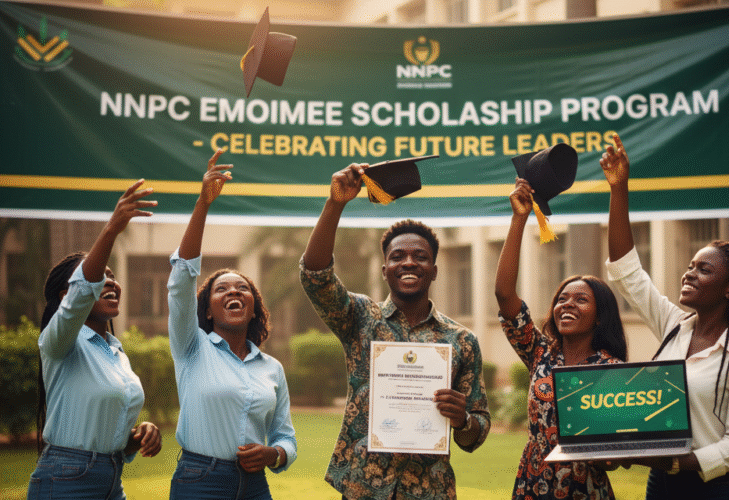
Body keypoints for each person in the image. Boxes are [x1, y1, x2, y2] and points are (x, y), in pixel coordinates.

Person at [299, 162, 491, 500]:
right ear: (386, 270)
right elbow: (316, 277)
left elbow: (475, 434)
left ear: (433, 271)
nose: (408, 262)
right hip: (363, 488)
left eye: (420, 256)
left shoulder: (461, 341)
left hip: (429, 490)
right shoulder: (360, 318)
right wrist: (335, 204)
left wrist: (463, 420)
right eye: (398, 256)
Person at [601, 134, 729, 499]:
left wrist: (677, 461)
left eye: (704, 270)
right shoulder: (674, 327)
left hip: (713, 490)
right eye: (691, 265)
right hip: (660, 485)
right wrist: (619, 190)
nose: (689, 273)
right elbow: (627, 273)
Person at [167, 149, 297, 500]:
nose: (233, 292)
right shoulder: (190, 347)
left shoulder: (272, 369)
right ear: (207, 311)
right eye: (221, 289)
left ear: (254, 308)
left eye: (242, 288)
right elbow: (181, 282)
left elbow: (286, 436)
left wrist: (275, 454)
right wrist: (203, 205)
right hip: (199, 481)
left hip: (255, 487)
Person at [494, 178, 628, 499]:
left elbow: (617, 452)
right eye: (562, 299)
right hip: (534, 482)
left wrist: (611, 456)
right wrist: (519, 219)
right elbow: (503, 293)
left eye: (580, 300)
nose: (567, 305)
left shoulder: (611, 369)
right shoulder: (540, 352)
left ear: (599, 314)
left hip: (584, 487)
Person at [29, 180, 162, 500]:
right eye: (100, 277)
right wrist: (112, 229)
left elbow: (104, 431)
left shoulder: (115, 353)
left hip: (110, 479)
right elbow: (81, 290)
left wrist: (137, 436)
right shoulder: (60, 342)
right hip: (66, 479)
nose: (111, 283)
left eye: (113, 278)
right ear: (67, 296)